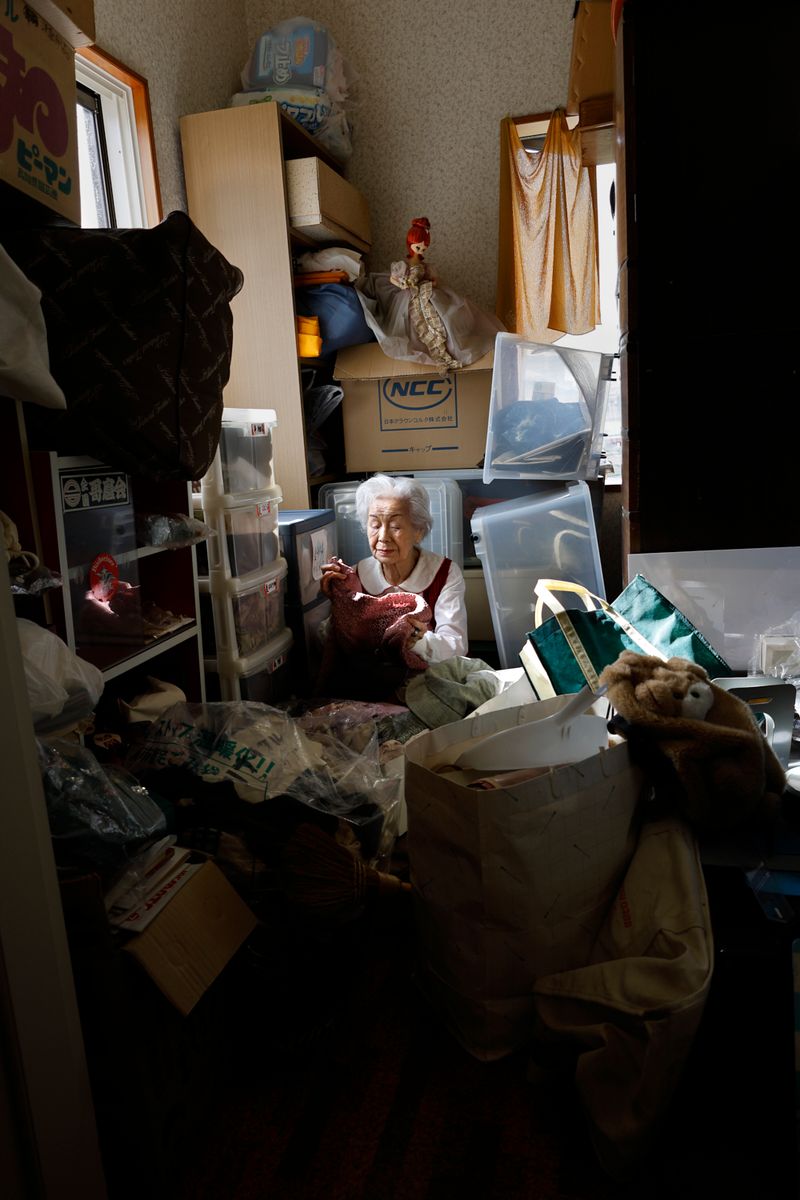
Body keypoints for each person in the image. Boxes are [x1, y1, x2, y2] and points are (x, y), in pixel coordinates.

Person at [318, 474, 468, 699]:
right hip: (370, 691)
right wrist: (338, 606)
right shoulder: (355, 577)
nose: (383, 537)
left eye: (396, 526)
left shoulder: (444, 573)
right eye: (375, 525)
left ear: (419, 531)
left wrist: (414, 640)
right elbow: (341, 649)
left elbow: (456, 646)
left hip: (430, 689)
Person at [354, 217, 504, 370]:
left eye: (424, 248)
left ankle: (446, 350)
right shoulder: (401, 266)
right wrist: (402, 284)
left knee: (443, 318)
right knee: (411, 324)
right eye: (418, 248)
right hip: (407, 295)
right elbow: (393, 279)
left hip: (425, 292)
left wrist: (428, 284)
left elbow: (434, 280)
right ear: (410, 245)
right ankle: (422, 349)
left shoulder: (425, 266)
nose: (421, 251)